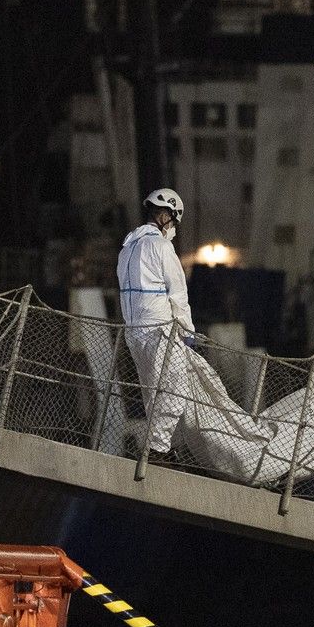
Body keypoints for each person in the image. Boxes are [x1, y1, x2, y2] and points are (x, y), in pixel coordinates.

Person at [117, 188, 196, 460]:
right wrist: (188, 332)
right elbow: (178, 293)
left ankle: (157, 447)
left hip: (134, 332)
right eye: (173, 221)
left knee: (152, 393)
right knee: (175, 388)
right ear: (165, 216)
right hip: (160, 330)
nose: (173, 228)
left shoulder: (127, 248)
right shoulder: (161, 247)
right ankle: (159, 449)